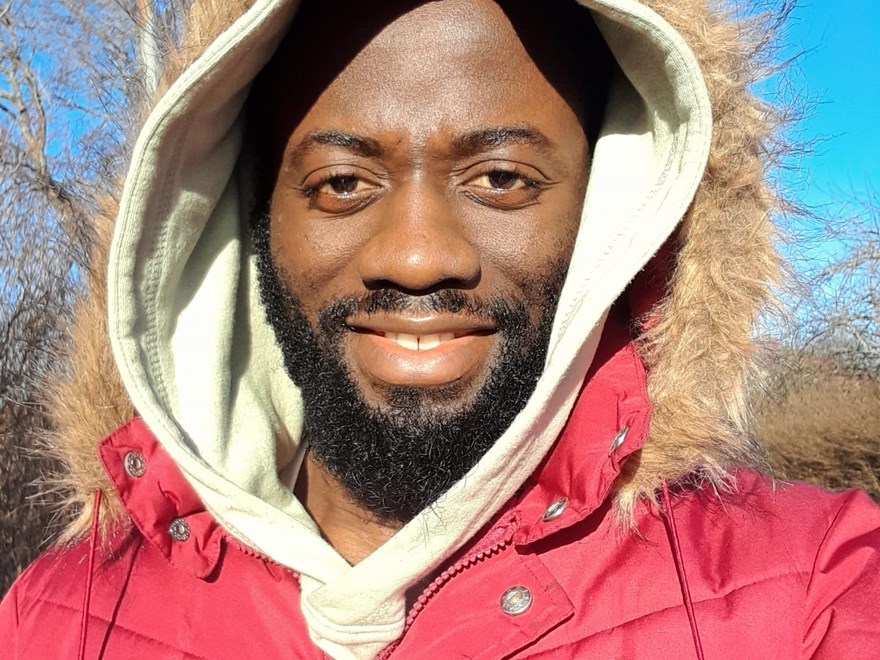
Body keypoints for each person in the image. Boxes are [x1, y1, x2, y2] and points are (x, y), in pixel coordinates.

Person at [2, 0, 879, 657]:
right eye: (341, 183)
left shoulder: (810, 589)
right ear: (252, 221)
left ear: (614, 208)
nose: (418, 257)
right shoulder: (53, 620)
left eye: (502, 178)